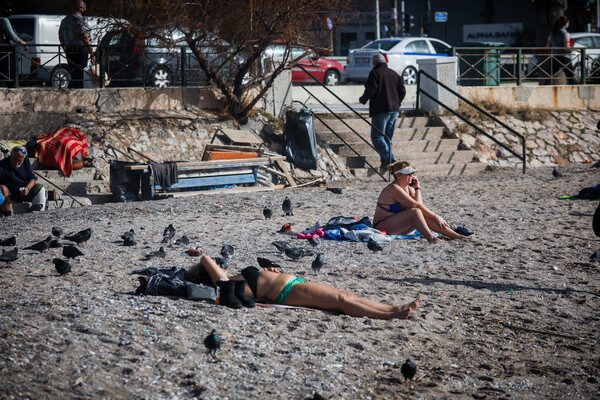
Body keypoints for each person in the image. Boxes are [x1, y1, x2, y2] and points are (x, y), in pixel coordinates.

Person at [180, 249, 421, 320]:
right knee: (341, 301)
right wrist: (201, 256)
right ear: (209, 275)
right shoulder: (224, 285)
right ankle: (390, 316)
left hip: (296, 282)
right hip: (288, 292)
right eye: (218, 268)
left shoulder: (233, 280)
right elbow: (205, 258)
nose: (222, 266)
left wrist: (270, 271)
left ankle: (392, 308)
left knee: (346, 294)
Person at [373, 161, 471, 242]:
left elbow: (420, 205)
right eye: (408, 174)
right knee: (415, 212)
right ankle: (431, 238)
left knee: (422, 213)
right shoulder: (393, 188)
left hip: (398, 226)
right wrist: (437, 216)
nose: (412, 176)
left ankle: (455, 235)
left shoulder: (408, 188)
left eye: (412, 173)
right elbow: (416, 206)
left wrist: (417, 188)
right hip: (382, 228)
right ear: (398, 175)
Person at [359, 53, 406, 168]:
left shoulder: (374, 73)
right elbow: (403, 91)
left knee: (377, 137)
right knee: (387, 138)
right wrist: (397, 102)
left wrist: (363, 99)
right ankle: (386, 162)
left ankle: (390, 157)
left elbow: (371, 89)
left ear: (374, 63)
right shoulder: (394, 74)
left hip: (381, 110)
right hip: (394, 110)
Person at [0, 146, 46, 216]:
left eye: (19, 161)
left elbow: (32, 179)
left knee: (40, 188)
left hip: (23, 191)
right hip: (10, 193)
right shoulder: (3, 164)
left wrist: (27, 188)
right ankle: (8, 216)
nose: (17, 162)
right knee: (2, 188)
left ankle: (37, 212)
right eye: (15, 159)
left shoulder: (26, 161)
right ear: (11, 155)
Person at [59, 0, 95, 89]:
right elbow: (84, 36)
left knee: (73, 73)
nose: (86, 7)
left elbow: (60, 36)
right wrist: (91, 51)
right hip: (80, 49)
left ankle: (71, 90)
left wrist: (65, 48)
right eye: (84, 5)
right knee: (81, 73)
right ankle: (78, 92)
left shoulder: (65, 20)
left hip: (69, 49)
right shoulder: (79, 20)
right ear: (80, 8)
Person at [0, 1, 28, 87]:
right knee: (9, 72)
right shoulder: (4, 20)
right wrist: (23, 43)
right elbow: (14, 37)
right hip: (6, 50)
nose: (10, 10)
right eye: (8, 9)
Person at [546, 15, 573, 84]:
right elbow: (566, 48)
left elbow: (548, 46)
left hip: (554, 57)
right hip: (564, 57)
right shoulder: (565, 34)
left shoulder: (552, 33)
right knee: (571, 77)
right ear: (566, 23)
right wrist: (576, 49)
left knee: (551, 77)